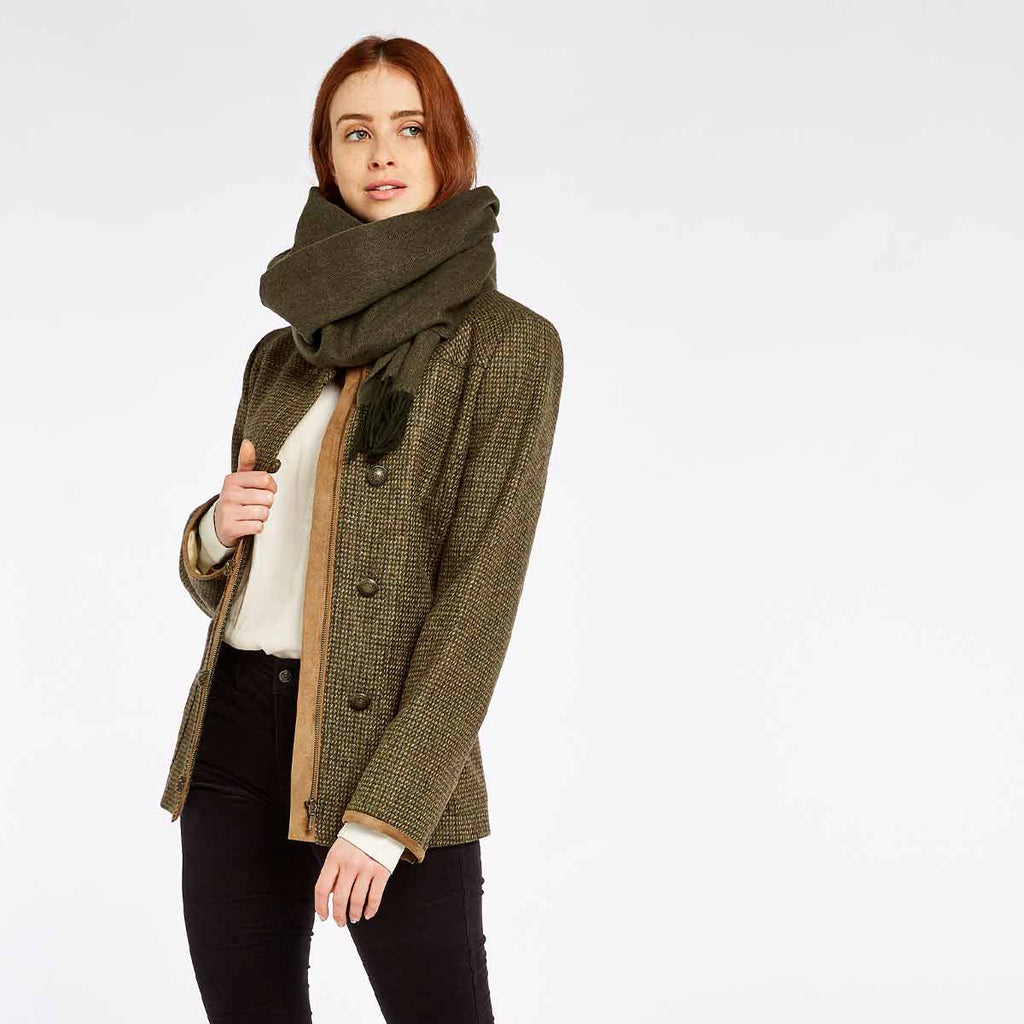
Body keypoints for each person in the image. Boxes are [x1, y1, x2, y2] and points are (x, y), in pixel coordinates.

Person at [159, 34, 564, 1024]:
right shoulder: (281, 355)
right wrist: (214, 532)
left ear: (448, 147)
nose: (382, 153)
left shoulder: (508, 347)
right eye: (355, 132)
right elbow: (247, 583)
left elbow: (478, 600)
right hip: (233, 739)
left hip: (391, 744)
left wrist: (385, 817)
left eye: (409, 129)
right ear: (327, 157)